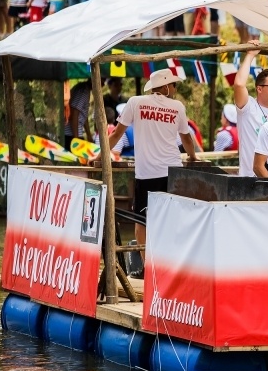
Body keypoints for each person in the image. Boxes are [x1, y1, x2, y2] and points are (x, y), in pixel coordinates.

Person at [107, 69, 199, 263]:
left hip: (146, 173)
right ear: (165, 86)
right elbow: (187, 138)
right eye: (173, 85)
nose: (175, 89)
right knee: (171, 219)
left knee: (141, 221)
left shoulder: (135, 102)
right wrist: (192, 157)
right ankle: (169, 264)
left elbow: (116, 134)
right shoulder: (177, 107)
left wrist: (99, 154)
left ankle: (147, 264)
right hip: (173, 171)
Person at [233, 42, 268, 176]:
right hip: (251, 180)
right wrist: (250, 55)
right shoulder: (248, 107)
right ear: (259, 89)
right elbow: (238, 84)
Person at [65, 79, 91, 146]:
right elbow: (74, 113)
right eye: (102, 81)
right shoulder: (83, 91)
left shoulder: (86, 90)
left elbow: (84, 115)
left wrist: (89, 135)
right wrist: (76, 139)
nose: (103, 84)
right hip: (70, 134)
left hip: (74, 133)